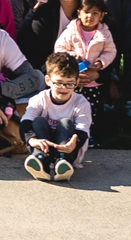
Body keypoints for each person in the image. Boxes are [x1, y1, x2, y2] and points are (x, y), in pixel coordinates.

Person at [18, 54, 95, 183]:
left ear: (76, 82)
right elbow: (26, 121)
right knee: (38, 121)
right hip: (44, 144)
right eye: (59, 83)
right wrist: (31, 140)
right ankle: (40, 160)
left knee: (65, 123)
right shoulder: (39, 99)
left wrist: (75, 143)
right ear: (48, 81)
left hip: (67, 147)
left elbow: (83, 128)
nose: (63, 88)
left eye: (69, 83)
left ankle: (63, 162)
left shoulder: (81, 103)